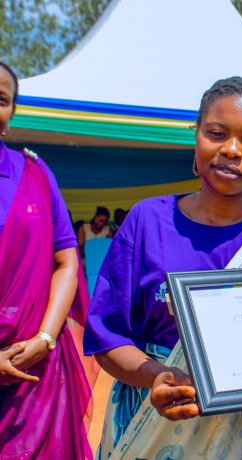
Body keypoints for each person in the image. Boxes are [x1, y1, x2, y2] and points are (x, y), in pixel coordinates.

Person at [84, 77, 242, 459]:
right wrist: (157, 376)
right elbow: (108, 336)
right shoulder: (148, 222)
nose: (231, 150)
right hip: (154, 420)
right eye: (217, 133)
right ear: (196, 135)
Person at [0, 61, 93, 458]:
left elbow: (66, 262)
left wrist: (44, 339)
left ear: (11, 113)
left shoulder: (35, 173)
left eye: (1, 98)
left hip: (35, 374)